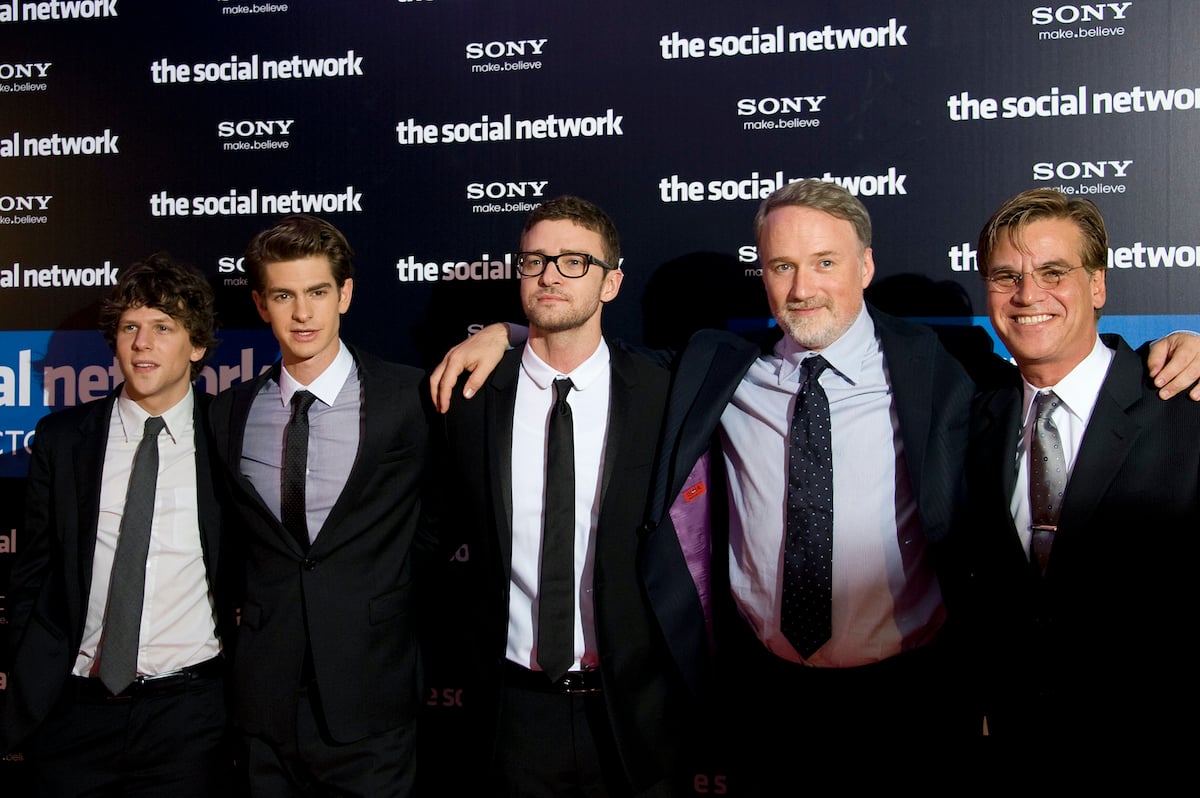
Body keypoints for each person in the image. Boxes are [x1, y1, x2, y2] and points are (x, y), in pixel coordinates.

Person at [436, 196, 700, 797]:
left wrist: (506, 331)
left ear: (612, 283)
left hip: (633, 713)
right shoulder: (468, 396)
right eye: (536, 260)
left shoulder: (662, 390)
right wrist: (503, 336)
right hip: (507, 714)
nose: (552, 274)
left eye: (576, 261)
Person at [208, 215, 432, 796]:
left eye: (317, 292)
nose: (302, 314)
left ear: (346, 294)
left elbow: (442, 518)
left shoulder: (409, 397)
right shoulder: (226, 412)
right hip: (263, 698)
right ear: (260, 304)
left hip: (371, 692)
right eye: (284, 295)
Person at [968, 189, 1199, 739]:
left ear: (1097, 284)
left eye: (1053, 272)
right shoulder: (973, 413)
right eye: (1006, 276)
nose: (1028, 295)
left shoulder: (1181, 402)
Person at [0, 255, 234, 795]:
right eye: (130, 327)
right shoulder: (63, 439)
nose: (142, 343)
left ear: (196, 346)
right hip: (73, 716)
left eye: (162, 327)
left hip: (191, 718)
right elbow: (32, 572)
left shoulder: (230, 436)